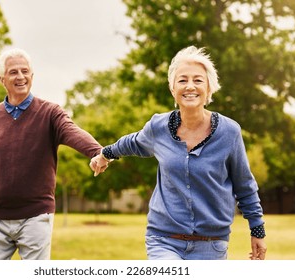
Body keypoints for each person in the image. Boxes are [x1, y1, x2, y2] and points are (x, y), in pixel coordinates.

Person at [90, 46, 267, 260]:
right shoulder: (158, 127)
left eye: (198, 80)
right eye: (182, 80)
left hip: (211, 246)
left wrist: (257, 229)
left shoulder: (229, 132)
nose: (190, 86)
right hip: (164, 241)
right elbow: (133, 142)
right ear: (173, 89)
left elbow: (244, 185)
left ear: (209, 88)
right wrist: (105, 154)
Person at [0, 48, 103, 260]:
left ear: (32, 76)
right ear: (2, 79)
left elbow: (72, 131)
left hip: (36, 217)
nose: (20, 77)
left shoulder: (49, 113)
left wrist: (98, 152)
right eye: (13, 72)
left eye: (25, 71)